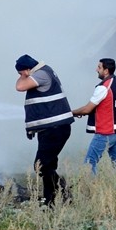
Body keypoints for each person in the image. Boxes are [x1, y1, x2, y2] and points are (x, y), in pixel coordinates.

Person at [15, 54, 74, 206]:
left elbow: (19, 87)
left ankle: (57, 195)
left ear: (27, 69)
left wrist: (24, 75)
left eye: (21, 73)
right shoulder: (44, 71)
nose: (21, 77)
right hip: (51, 129)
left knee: (41, 165)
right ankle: (54, 197)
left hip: (54, 129)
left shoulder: (41, 74)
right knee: (47, 165)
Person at [71, 58, 116, 178]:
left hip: (105, 133)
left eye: (99, 67)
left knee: (89, 164)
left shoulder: (103, 87)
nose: (96, 70)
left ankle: (92, 190)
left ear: (106, 71)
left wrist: (71, 113)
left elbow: (87, 109)